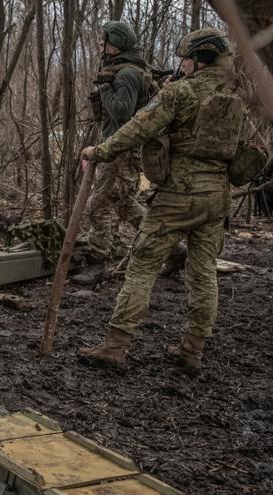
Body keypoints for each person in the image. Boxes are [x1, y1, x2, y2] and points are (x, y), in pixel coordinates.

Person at [79, 28, 242, 371]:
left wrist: (100, 151)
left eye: (185, 58)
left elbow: (137, 127)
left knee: (141, 267)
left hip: (177, 196)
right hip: (218, 197)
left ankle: (115, 345)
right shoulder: (234, 94)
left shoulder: (180, 92)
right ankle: (192, 350)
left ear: (197, 58)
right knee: (203, 274)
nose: (181, 64)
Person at [74, 21, 154, 286]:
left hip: (120, 150)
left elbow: (121, 112)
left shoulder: (128, 74)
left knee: (100, 204)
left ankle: (98, 263)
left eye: (106, 41)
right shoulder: (127, 70)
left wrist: (105, 88)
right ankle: (169, 247)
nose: (102, 46)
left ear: (117, 44)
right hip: (121, 148)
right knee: (124, 204)